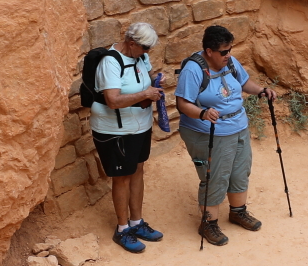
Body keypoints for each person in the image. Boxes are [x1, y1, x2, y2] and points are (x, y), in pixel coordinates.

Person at [175, 24, 275, 247]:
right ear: (209, 51)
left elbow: (244, 82)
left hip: (238, 126)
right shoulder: (193, 70)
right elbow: (182, 104)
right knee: (215, 175)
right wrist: (202, 113)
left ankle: (238, 212)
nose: (228, 55)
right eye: (224, 51)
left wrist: (260, 90)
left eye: (229, 49)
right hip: (210, 131)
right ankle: (208, 223)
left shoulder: (229, 61)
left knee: (240, 169)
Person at [92, 22, 165, 253]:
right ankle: (122, 229)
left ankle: (137, 222)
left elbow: (146, 77)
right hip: (116, 132)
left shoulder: (140, 58)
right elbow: (112, 100)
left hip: (139, 127)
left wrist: (154, 84)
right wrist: (145, 93)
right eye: (144, 48)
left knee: (137, 170)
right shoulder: (110, 62)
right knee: (122, 177)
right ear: (131, 43)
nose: (147, 54)